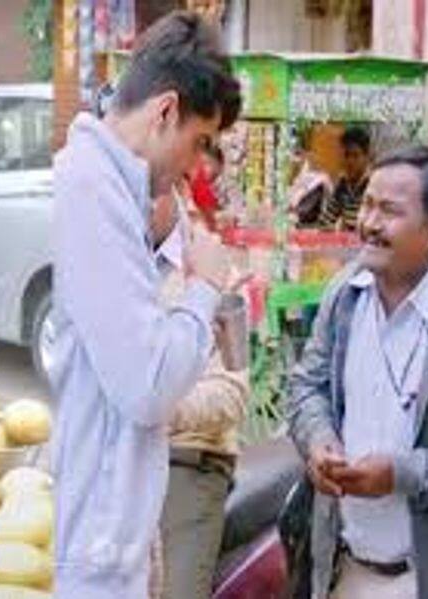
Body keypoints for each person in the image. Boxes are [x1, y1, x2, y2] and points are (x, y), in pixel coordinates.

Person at [49, 10, 242, 598]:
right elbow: (147, 386)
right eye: (199, 142)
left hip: (115, 537)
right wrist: (204, 286)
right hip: (94, 549)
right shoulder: (91, 188)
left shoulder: (113, 189)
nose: (196, 166)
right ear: (165, 112)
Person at [288, 145, 428, 599]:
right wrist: (318, 439)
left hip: (423, 580)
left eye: (389, 210)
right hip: (340, 569)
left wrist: (399, 474)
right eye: (366, 203)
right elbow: (308, 385)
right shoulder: (345, 296)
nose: (368, 222)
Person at [147, 192, 250, 599]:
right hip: (119, 452)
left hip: (187, 461)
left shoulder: (220, 272)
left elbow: (233, 391)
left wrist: (158, 409)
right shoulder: (114, 263)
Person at [319, 126, 372, 231]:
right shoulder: (343, 183)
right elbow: (326, 221)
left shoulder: (374, 184)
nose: (350, 161)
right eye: (347, 155)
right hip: (346, 244)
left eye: (355, 155)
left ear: (367, 156)